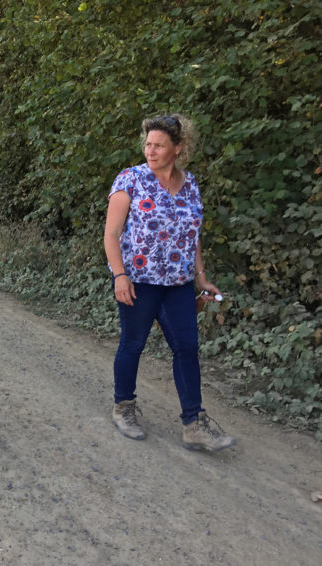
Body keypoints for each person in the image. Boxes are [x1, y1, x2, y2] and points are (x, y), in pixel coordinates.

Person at [103, 113, 236, 452]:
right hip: (138, 282)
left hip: (177, 284)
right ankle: (124, 408)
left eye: (159, 145)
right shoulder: (130, 179)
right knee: (133, 344)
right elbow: (112, 234)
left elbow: (192, 237)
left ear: (178, 148)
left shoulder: (190, 184)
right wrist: (120, 275)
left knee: (187, 349)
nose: (151, 150)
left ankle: (194, 424)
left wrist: (202, 279)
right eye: (148, 144)